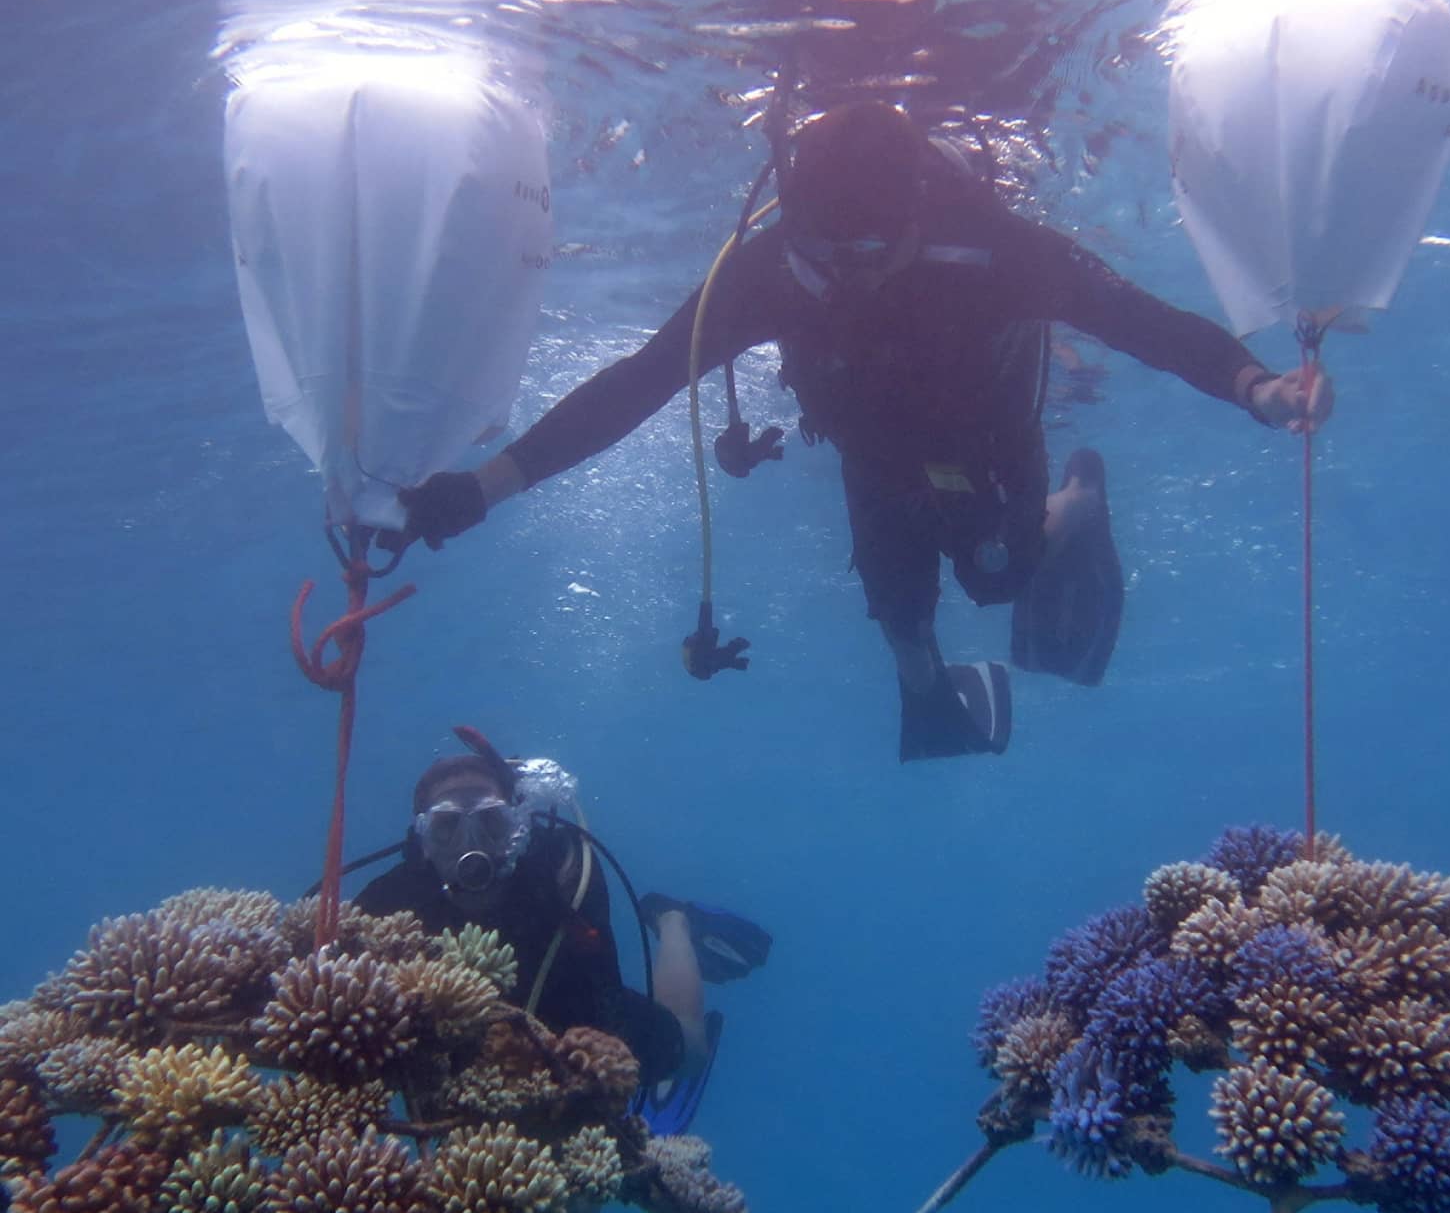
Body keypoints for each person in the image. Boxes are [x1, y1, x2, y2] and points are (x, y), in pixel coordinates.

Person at [396, 102, 1335, 761]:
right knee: (900, 625)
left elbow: (1142, 321)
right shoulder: (763, 272)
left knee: (996, 578)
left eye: (869, 252)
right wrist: (483, 487)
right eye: (820, 251)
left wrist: (1255, 386)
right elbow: (637, 385)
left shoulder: (998, 251)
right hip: (871, 454)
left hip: (991, 440)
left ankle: (1080, 496)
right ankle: (929, 681)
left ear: (918, 219)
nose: (842, 274)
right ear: (792, 224)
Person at [354, 728, 771, 1132]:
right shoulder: (389, 899)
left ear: (518, 826)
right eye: (447, 826)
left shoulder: (564, 872)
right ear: (422, 840)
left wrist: (595, 1080)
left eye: (491, 822)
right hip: (462, 1046)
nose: (471, 843)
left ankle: (673, 919)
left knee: (691, 1053)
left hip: (573, 1002)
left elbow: (603, 995)